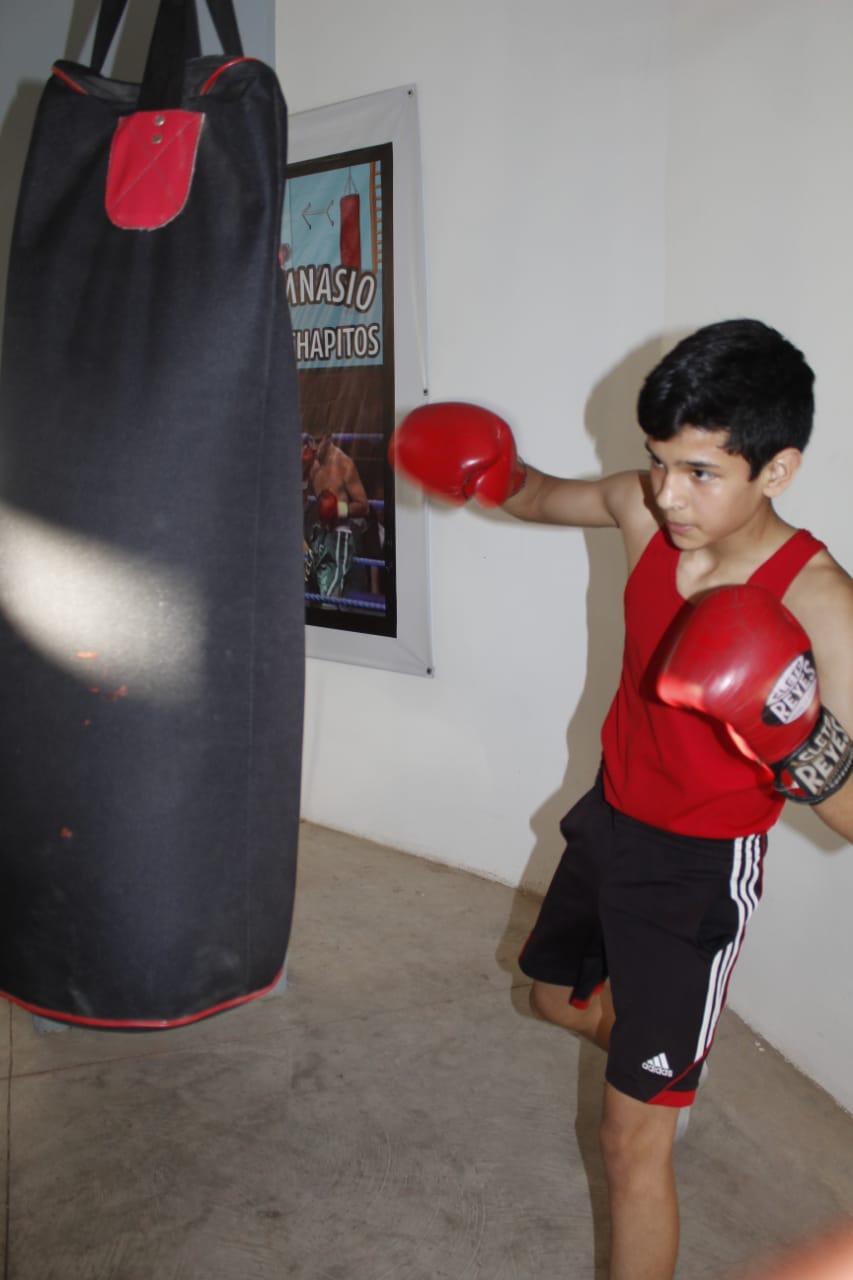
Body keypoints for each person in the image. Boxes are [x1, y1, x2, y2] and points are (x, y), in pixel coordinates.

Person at [389, 319, 853, 1280]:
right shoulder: (645, 510)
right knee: (553, 996)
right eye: (657, 462)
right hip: (610, 820)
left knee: (627, 1149)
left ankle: (660, 1066)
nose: (668, 494)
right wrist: (487, 471)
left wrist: (793, 733)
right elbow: (535, 496)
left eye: (699, 472)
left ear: (777, 470)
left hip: (696, 872)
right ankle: (662, 1047)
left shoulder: (817, 602)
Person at [304, 432, 370, 603]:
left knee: (329, 599)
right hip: (317, 535)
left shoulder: (344, 464)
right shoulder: (310, 460)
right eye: (310, 440)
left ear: (328, 436)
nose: (314, 446)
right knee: (307, 596)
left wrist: (337, 509)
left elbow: (364, 506)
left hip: (339, 536)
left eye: (318, 440)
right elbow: (302, 497)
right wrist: (302, 470)